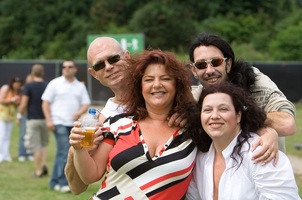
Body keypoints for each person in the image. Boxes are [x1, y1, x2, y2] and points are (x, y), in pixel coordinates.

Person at [69, 49, 205, 199]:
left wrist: (192, 115)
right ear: (139, 87)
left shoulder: (193, 130)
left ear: (177, 85)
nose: (157, 85)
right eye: (148, 80)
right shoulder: (118, 124)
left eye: (165, 78)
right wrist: (79, 149)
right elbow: (91, 175)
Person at [188, 32, 296, 164]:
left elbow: (287, 124)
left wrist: (238, 117)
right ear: (193, 71)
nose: (209, 70)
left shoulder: (255, 82)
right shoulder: (196, 96)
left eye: (216, 62)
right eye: (201, 65)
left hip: (263, 170)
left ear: (228, 64)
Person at [186, 82, 300, 200]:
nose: (214, 115)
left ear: (239, 116)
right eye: (208, 110)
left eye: (223, 109)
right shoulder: (200, 157)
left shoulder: (261, 153)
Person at [65, 37, 131, 194]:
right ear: (93, 74)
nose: (108, 67)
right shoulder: (101, 122)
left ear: (127, 57)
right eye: (100, 65)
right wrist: (76, 149)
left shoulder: (157, 94)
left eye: (114, 59)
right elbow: (77, 188)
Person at [42, 59, 91, 192]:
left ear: (75, 69)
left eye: (70, 67)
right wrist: (48, 120)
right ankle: (64, 183)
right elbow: (45, 103)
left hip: (74, 124)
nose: (67, 69)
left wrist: (79, 112)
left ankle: (54, 182)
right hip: (58, 122)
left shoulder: (79, 86)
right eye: (64, 67)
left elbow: (86, 103)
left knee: (62, 152)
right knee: (65, 151)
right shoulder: (55, 83)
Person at [18, 64, 49, 177]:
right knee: (43, 144)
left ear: (32, 74)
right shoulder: (47, 85)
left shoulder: (28, 86)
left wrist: (19, 115)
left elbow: (23, 103)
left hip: (33, 119)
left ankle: (38, 170)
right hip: (45, 119)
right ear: (43, 73)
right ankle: (44, 164)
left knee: (35, 146)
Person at [0, 76, 23, 163]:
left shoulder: (17, 92)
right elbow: (1, 100)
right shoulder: (6, 88)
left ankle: (5, 154)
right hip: (2, 115)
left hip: (10, 117)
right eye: (16, 84)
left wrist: (17, 101)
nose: (17, 86)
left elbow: (17, 104)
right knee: (1, 135)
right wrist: (11, 99)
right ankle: (0, 154)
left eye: (19, 84)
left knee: (7, 136)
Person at [18, 73, 34, 162]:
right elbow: (22, 104)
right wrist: (19, 115)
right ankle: (22, 153)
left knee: (31, 136)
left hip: (33, 115)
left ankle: (30, 153)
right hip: (25, 115)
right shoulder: (25, 89)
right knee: (23, 135)